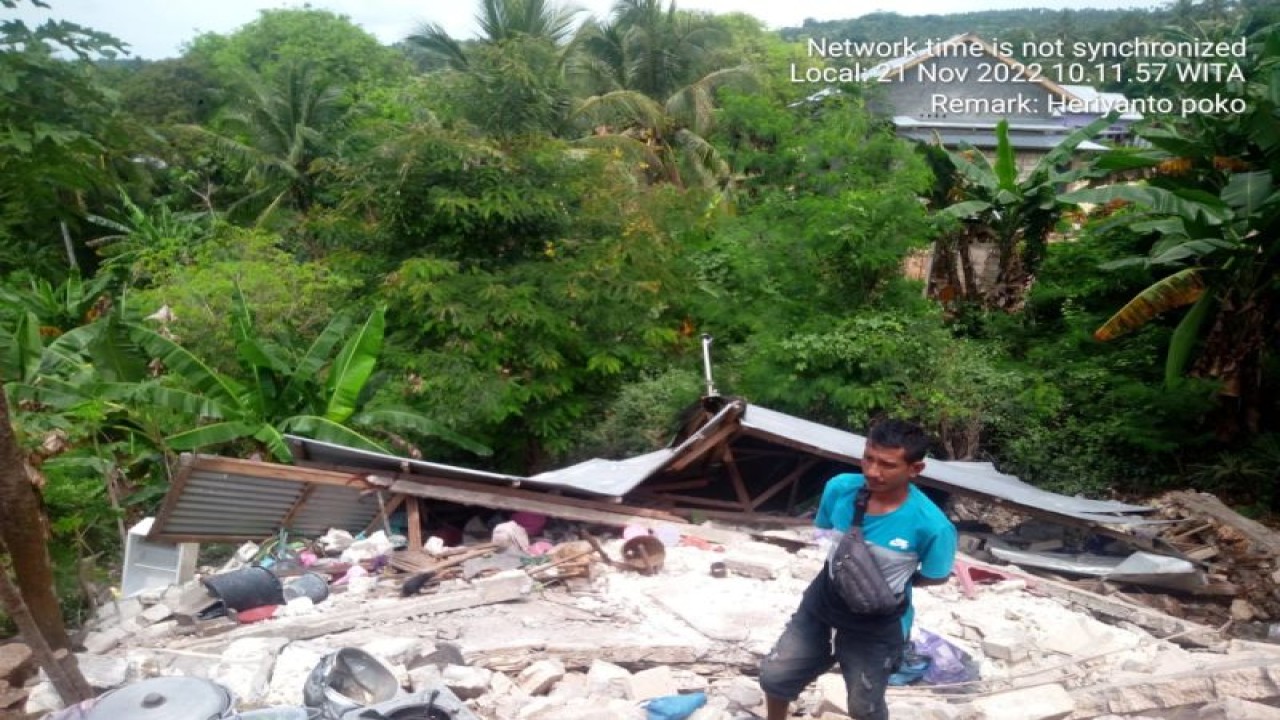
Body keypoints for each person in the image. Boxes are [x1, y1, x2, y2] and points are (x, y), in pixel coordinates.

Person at [759, 419, 957, 720]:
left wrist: (890, 581)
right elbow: (826, 530)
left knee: (865, 707)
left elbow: (936, 575)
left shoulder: (932, 525)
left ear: (915, 469)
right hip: (821, 605)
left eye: (887, 465)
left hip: (877, 625)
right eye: (868, 458)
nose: (872, 472)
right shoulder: (840, 489)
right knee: (775, 676)